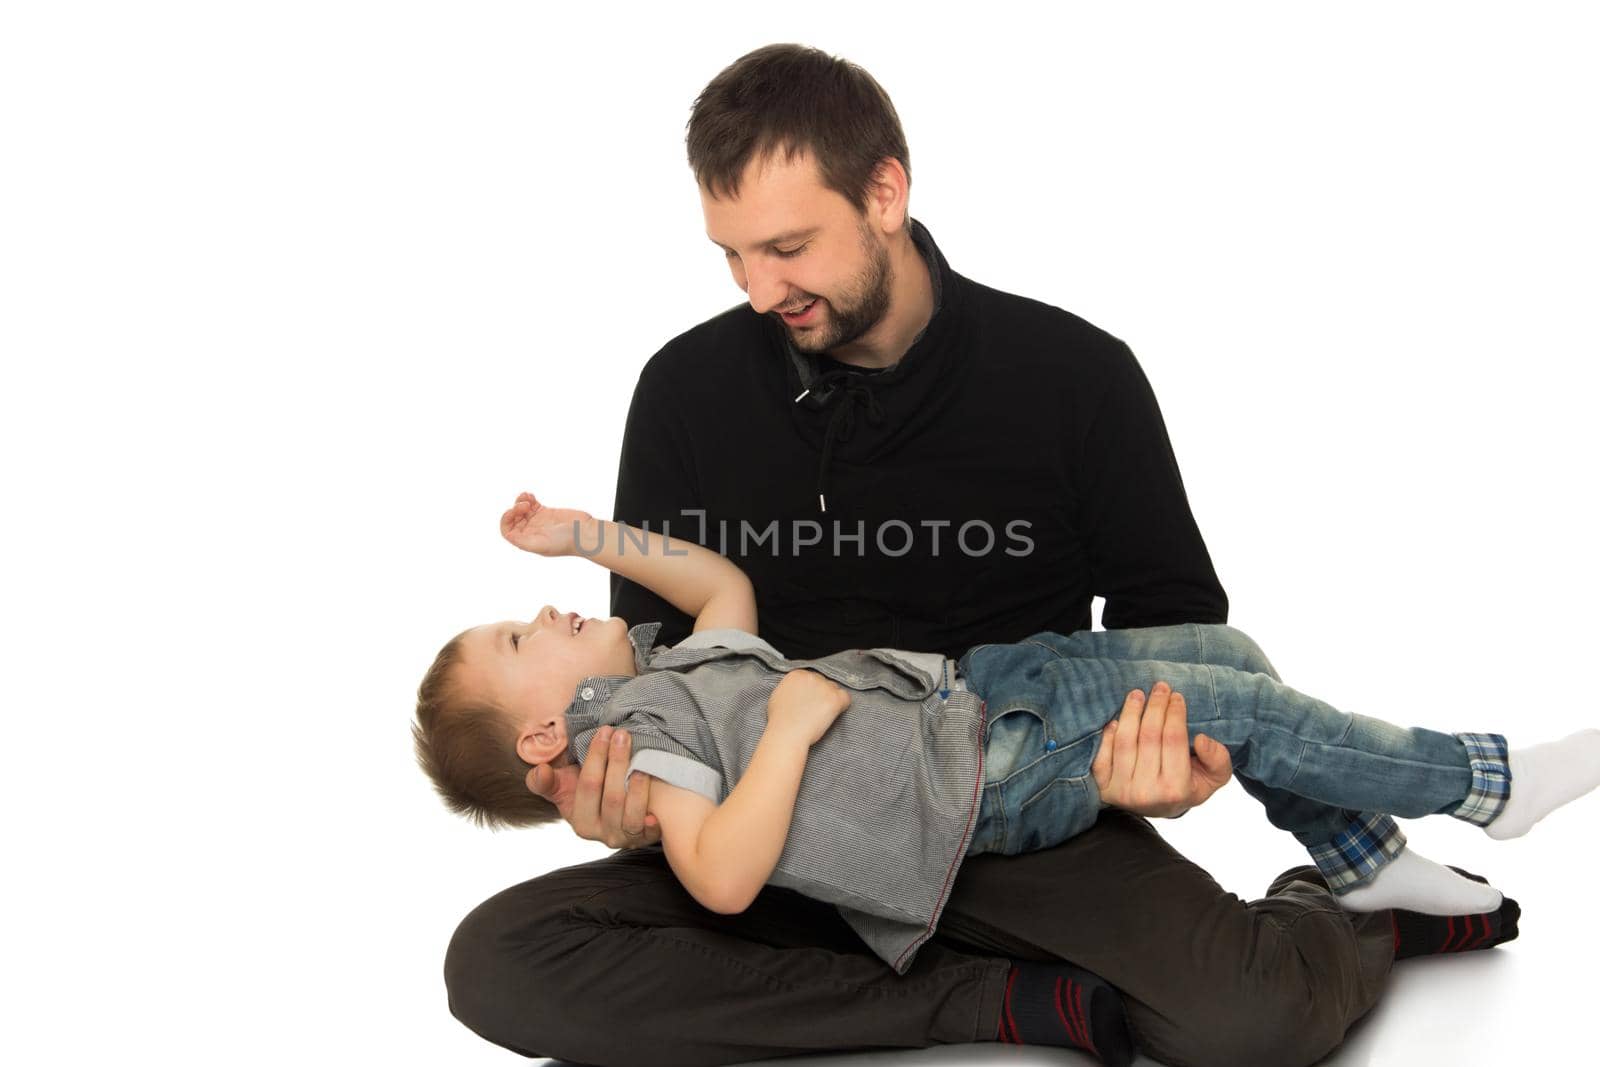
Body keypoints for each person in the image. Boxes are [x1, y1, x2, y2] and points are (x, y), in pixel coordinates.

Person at [439, 44, 1527, 1067]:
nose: (760, 291)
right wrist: (610, 790)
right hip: (762, 836)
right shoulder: (683, 387)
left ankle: (1343, 913)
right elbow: (652, 649)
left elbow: (1174, 617)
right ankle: (982, 998)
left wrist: (1168, 766)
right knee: (494, 962)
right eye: (730, 254)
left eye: (786, 247)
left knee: (1252, 1018)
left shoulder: (1074, 376)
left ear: (884, 194)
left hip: (1002, 803)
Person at [420, 494, 1588, 1064]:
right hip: (976, 785)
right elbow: (721, 876)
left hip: (978, 701)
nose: (550, 611)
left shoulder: (682, 663)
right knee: (492, 957)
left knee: (1222, 666)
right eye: (525, 639)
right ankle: (1484, 784)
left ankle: (1360, 868)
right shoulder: (663, 729)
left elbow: (723, 587)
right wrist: (779, 735)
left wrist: (589, 534)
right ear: (548, 737)